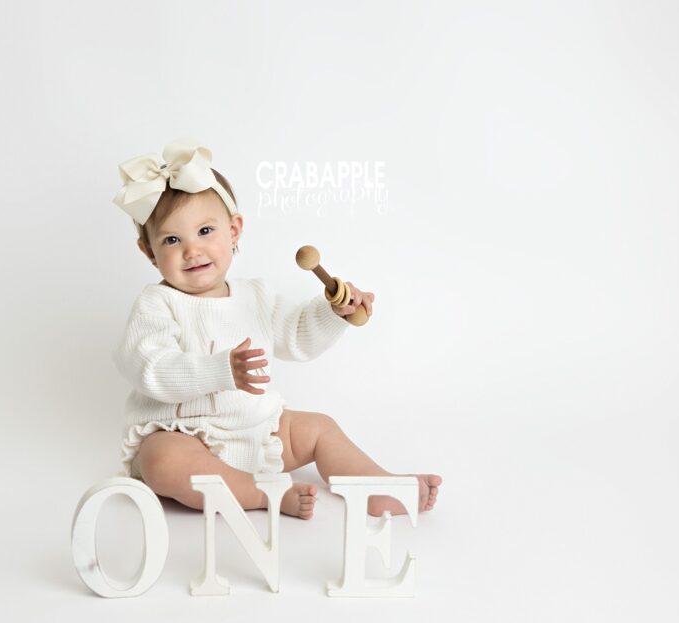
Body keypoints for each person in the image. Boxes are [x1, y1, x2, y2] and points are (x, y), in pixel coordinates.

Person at [110, 137, 441, 519]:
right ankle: (259, 494)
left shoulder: (256, 295)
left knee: (319, 428)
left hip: (258, 431)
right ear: (149, 251)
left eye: (205, 231)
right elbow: (150, 369)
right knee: (162, 462)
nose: (192, 250)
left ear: (234, 230)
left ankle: (377, 486)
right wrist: (221, 370)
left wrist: (334, 311)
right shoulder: (156, 304)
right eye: (171, 239)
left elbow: (298, 336)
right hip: (185, 435)